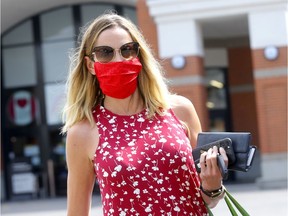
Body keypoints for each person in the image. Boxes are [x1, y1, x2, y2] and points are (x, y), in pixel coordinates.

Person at [62, 11, 228, 216]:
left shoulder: (180, 110)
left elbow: (203, 201)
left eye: (127, 50)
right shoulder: (83, 132)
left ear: (138, 55)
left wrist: (213, 186)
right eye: (105, 52)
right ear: (90, 65)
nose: (119, 59)